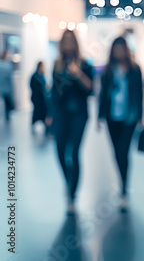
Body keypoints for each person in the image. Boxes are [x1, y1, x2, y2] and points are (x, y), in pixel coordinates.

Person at [47, 30, 93, 214]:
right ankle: (68, 181)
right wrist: (49, 114)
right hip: (61, 114)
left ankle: (72, 194)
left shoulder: (85, 65)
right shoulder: (57, 65)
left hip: (79, 114)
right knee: (59, 151)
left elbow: (91, 90)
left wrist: (78, 74)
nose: (67, 45)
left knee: (73, 152)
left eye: (70, 41)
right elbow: (54, 94)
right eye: (64, 42)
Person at [98, 37, 143, 210]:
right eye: (116, 49)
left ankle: (124, 187)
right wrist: (100, 116)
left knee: (123, 151)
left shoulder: (134, 69)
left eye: (121, 49)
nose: (118, 52)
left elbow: (140, 93)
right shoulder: (108, 70)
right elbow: (102, 93)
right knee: (116, 152)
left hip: (129, 116)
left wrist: (141, 115)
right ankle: (121, 181)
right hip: (111, 116)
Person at [30, 61, 49, 133]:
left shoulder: (41, 76)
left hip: (42, 99)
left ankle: (46, 125)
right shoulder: (35, 76)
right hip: (37, 98)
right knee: (38, 112)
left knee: (42, 112)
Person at [0, 51, 15, 123]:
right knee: (7, 104)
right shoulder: (8, 66)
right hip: (7, 89)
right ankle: (7, 117)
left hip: (2, 89)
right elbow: (10, 80)